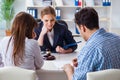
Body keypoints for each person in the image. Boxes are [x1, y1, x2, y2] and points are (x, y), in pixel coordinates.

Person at [63, 7, 120, 80]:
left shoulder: (89, 49)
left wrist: (69, 69)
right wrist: (83, 60)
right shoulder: (117, 38)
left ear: (82, 27)